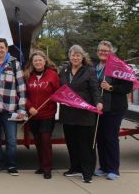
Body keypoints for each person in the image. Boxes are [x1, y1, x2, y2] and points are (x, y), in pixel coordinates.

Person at [59, 45, 102, 183]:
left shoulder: (89, 71)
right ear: (69, 56)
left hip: (84, 113)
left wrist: (98, 102)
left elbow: (95, 89)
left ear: (82, 57)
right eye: (73, 55)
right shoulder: (64, 70)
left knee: (86, 144)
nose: (75, 57)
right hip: (68, 113)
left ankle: (87, 172)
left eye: (78, 55)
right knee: (72, 143)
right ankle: (75, 168)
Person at [0, 38, 26, 176]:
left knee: (11, 139)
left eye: (2, 47)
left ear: (7, 49)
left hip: (10, 109)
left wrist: (21, 109)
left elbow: (21, 88)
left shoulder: (15, 65)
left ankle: (11, 166)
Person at [93, 41, 133, 180]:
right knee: (100, 138)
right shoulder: (94, 66)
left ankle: (113, 169)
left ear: (112, 52)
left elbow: (127, 87)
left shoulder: (120, 66)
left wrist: (111, 88)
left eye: (106, 50)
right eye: (101, 50)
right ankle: (103, 167)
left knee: (110, 138)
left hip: (114, 108)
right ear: (97, 51)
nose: (103, 53)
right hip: (98, 107)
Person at [24, 50, 60, 179]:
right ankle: (41, 165)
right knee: (38, 141)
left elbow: (58, 93)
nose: (38, 62)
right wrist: (30, 107)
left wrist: (53, 102)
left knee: (45, 140)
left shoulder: (53, 75)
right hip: (33, 115)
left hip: (47, 114)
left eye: (40, 60)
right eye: (35, 61)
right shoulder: (28, 76)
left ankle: (47, 168)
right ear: (32, 63)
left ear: (45, 61)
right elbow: (24, 95)